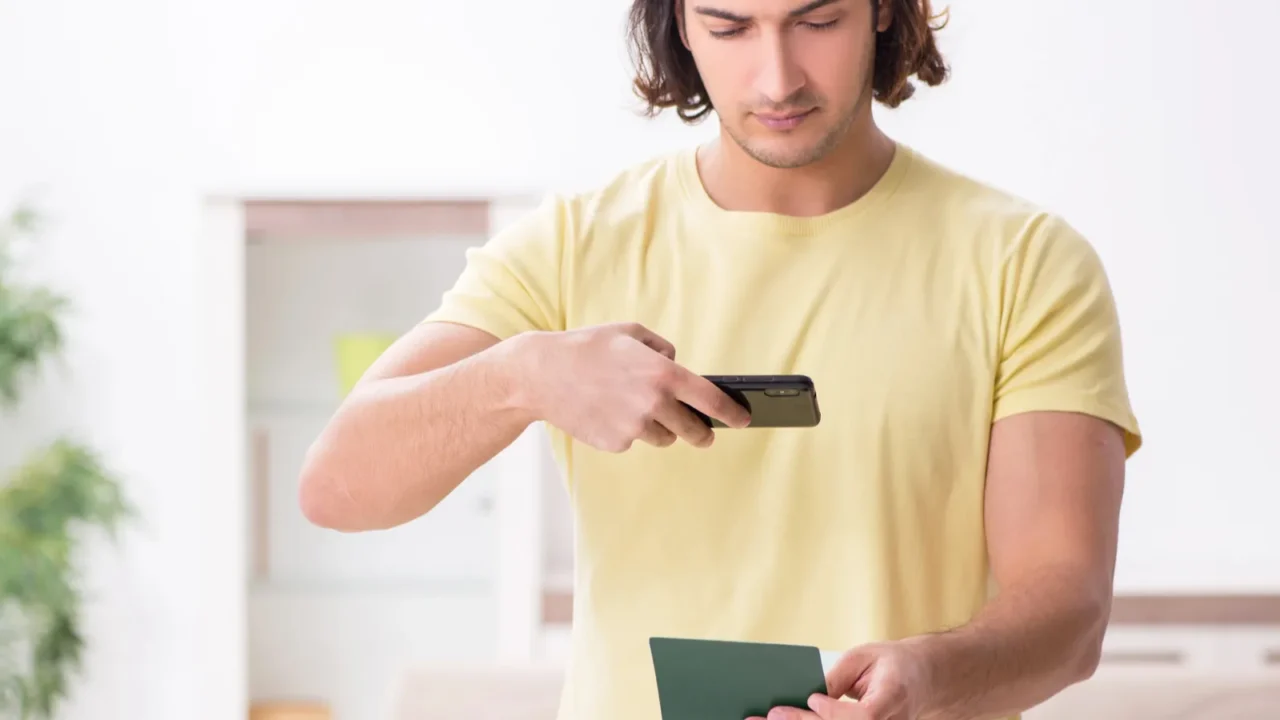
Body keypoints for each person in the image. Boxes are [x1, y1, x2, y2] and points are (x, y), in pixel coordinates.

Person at [297, 0, 1142, 718]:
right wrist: (524, 378)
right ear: (678, 23)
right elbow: (336, 486)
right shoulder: (570, 249)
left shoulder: (1024, 263)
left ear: (883, 9)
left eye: (816, 20)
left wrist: (930, 679)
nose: (777, 80)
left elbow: (1068, 605)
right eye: (730, 26)